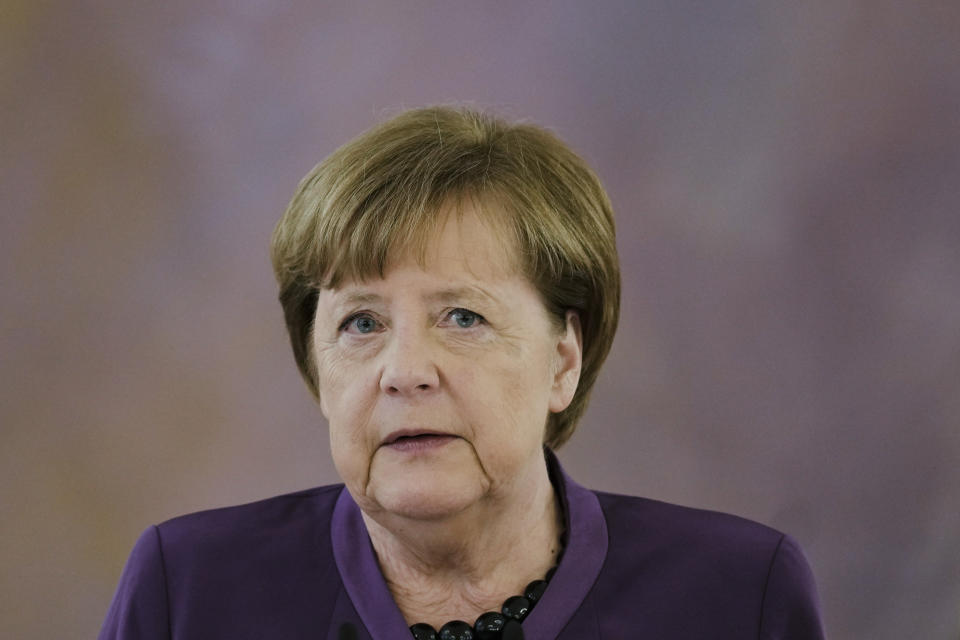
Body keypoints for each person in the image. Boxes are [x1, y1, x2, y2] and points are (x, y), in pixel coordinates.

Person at [99, 106, 826, 639]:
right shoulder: (189, 589)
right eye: (362, 323)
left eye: (463, 317)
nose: (405, 370)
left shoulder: (739, 596)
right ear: (318, 368)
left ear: (562, 363)